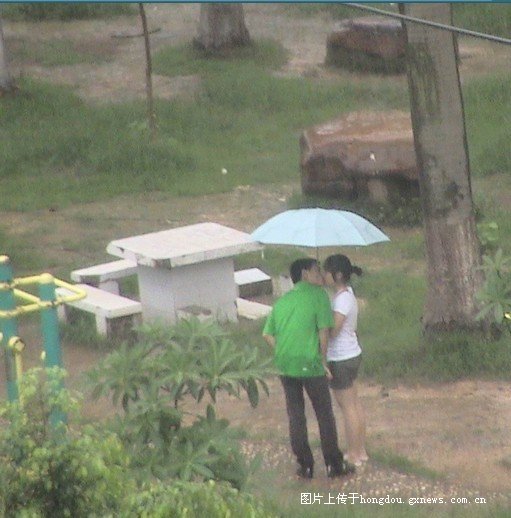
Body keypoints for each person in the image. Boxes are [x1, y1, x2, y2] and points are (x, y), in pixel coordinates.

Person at [263, 258, 353, 479]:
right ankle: (333, 463)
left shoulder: (283, 301)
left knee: (295, 414)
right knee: (324, 414)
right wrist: (322, 361)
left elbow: (267, 333)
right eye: (316, 270)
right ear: (304, 273)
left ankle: (305, 465)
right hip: (310, 363)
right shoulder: (319, 296)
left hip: (285, 364)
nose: (321, 274)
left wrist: (282, 351)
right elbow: (324, 333)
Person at [323, 254, 368, 467]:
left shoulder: (341, 300)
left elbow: (333, 331)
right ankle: (361, 450)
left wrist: (322, 321)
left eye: (326, 271)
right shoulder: (347, 294)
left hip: (340, 357)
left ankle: (353, 454)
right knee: (354, 404)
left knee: (347, 407)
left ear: (337, 275)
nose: (324, 275)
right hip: (352, 353)